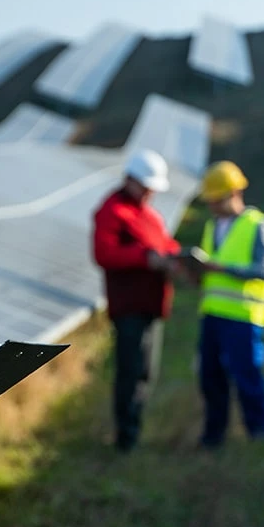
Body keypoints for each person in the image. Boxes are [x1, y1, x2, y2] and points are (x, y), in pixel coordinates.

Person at [92, 149, 182, 452]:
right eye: (145, 186)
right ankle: (125, 439)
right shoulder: (112, 211)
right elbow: (104, 254)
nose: (149, 192)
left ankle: (134, 430)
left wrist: (176, 258)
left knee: (145, 372)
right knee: (131, 373)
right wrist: (146, 259)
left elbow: (163, 243)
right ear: (129, 179)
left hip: (150, 304)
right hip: (129, 306)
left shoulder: (148, 214)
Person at [194, 161, 264, 449]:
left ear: (233, 193)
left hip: (244, 317)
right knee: (210, 379)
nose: (212, 207)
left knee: (248, 379)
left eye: (215, 201)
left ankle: (261, 437)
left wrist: (222, 268)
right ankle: (213, 438)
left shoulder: (259, 225)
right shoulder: (211, 226)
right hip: (213, 316)